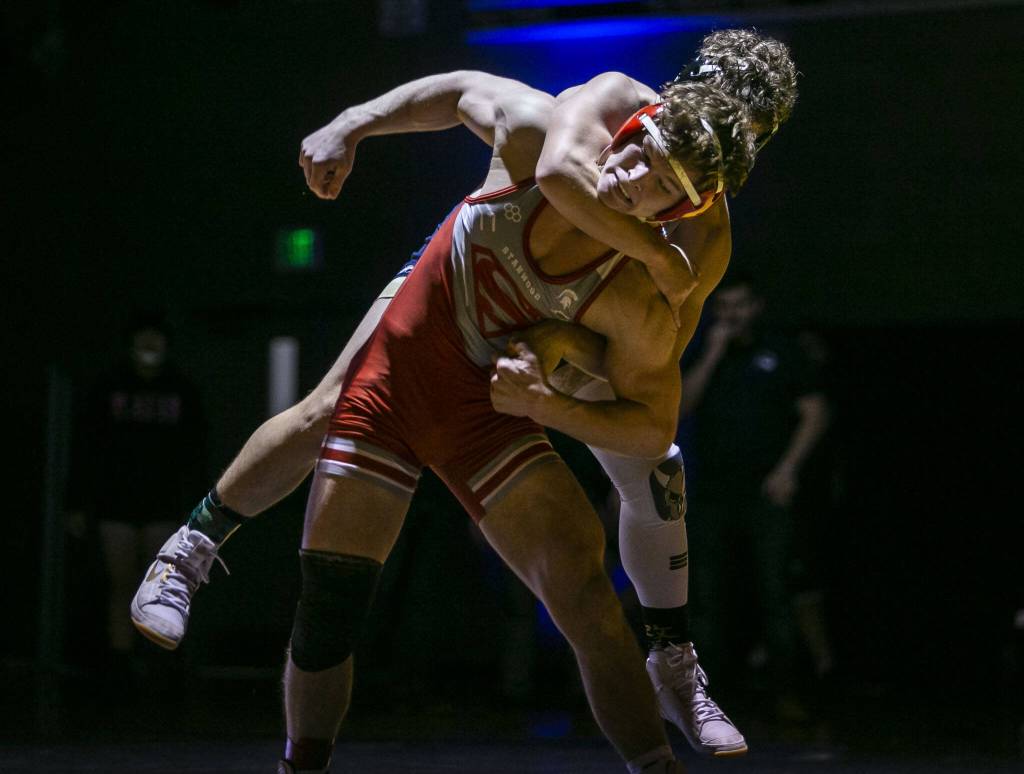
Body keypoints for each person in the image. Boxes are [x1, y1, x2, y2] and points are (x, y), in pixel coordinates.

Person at [129, 30, 796, 766]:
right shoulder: (592, 114)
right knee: (326, 420)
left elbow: (653, 383)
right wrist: (351, 121)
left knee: (648, 484)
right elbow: (478, 105)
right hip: (439, 312)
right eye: (641, 150)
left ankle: (672, 661)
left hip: (527, 364)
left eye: (668, 185)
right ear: (665, 101)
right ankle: (190, 548)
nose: (636, 174)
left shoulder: (691, 246)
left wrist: (560, 374)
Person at [681, 273, 829, 719]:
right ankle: (709, 697)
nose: (732, 315)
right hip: (711, 491)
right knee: (706, 593)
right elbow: (681, 408)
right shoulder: (703, 351)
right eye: (724, 307)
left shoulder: (781, 351)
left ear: (756, 307)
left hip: (766, 488)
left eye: (740, 306)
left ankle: (786, 690)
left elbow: (816, 412)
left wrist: (788, 468)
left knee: (774, 588)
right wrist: (712, 354)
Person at [65, 311, 206, 667]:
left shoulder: (181, 390)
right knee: (121, 583)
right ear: (130, 345)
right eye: (143, 340)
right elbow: (86, 448)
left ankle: (160, 662)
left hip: (163, 502)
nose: (149, 347)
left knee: (163, 584)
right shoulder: (108, 387)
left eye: (155, 340)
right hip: (116, 502)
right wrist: (77, 503)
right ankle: (123, 665)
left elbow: (195, 451)